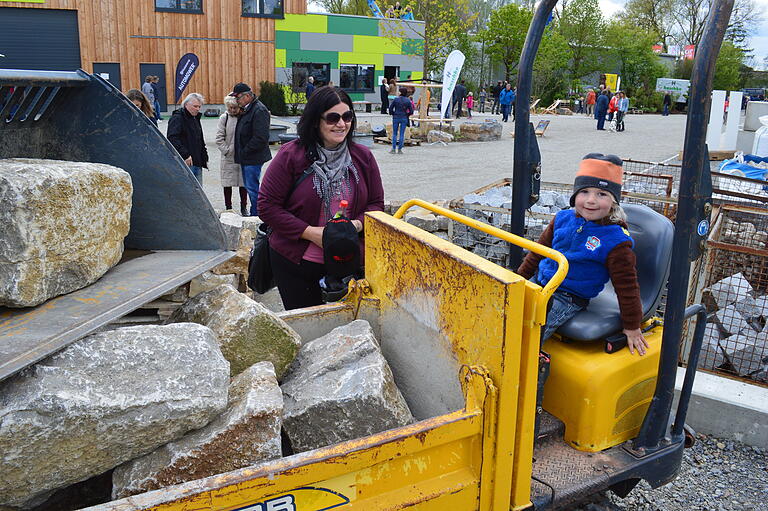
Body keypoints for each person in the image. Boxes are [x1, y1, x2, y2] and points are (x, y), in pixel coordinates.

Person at [258, 86, 385, 310]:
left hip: (347, 263)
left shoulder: (362, 157)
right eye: (332, 118)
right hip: (296, 263)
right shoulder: (290, 156)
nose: (341, 124)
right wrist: (312, 233)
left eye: (347, 117)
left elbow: (376, 204)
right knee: (307, 328)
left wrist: (354, 226)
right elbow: (267, 206)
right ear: (316, 120)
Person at [516, 153, 648, 356]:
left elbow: (627, 286)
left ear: (614, 202)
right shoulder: (562, 218)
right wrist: (520, 279)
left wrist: (632, 325)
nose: (591, 200)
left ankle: (529, 373)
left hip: (567, 297)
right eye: (584, 191)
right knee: (505, 311)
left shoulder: (616, 241)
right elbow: (537, 252)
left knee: (528, 336)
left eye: (602, 194)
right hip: (540, 282)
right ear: (575, 195)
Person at [230, 82, 272, 217]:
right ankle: (256, 214)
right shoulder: (248, 108)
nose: (236, 101)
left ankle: (257, 216)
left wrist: (244, 151)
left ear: (247, 96)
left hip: (253, 157)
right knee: (250, 187)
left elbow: (261, 138)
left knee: (253, 189)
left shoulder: (259, 110)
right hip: (247, 157)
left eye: (238, 98)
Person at [216, 95, 249, 215]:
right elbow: (219, 138)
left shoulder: (245, 118)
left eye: (235, 107)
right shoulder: (224, 118)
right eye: (230, 107)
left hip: (242, 156)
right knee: (227, 183)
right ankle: (228, 207)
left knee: (243, 184)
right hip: (228, 157)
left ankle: (243, 207)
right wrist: (227, 151)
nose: (232, 110)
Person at [167, 92, 208, 183]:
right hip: (186, 161)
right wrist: (185, 154)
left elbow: (199, 139)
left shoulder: (195, 118)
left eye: (199, 107)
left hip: (197, 161)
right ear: (186, 105)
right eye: (195, 106)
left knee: (198, 191)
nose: (197, 109)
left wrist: (204, 155)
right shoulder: (177, 118)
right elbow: (172, 138)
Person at [389, 87, 413, 154]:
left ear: (401, 92)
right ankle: (400, 149)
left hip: (396, 117)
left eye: (399, 91)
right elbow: (411, 111)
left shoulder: (396, 99)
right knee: (402, 134)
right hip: (404, 117)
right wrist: (407, 114)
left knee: (395, 133)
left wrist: (393, 113)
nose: (398, 92)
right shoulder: (408, 100)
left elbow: (391, 108)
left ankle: (393, 149)